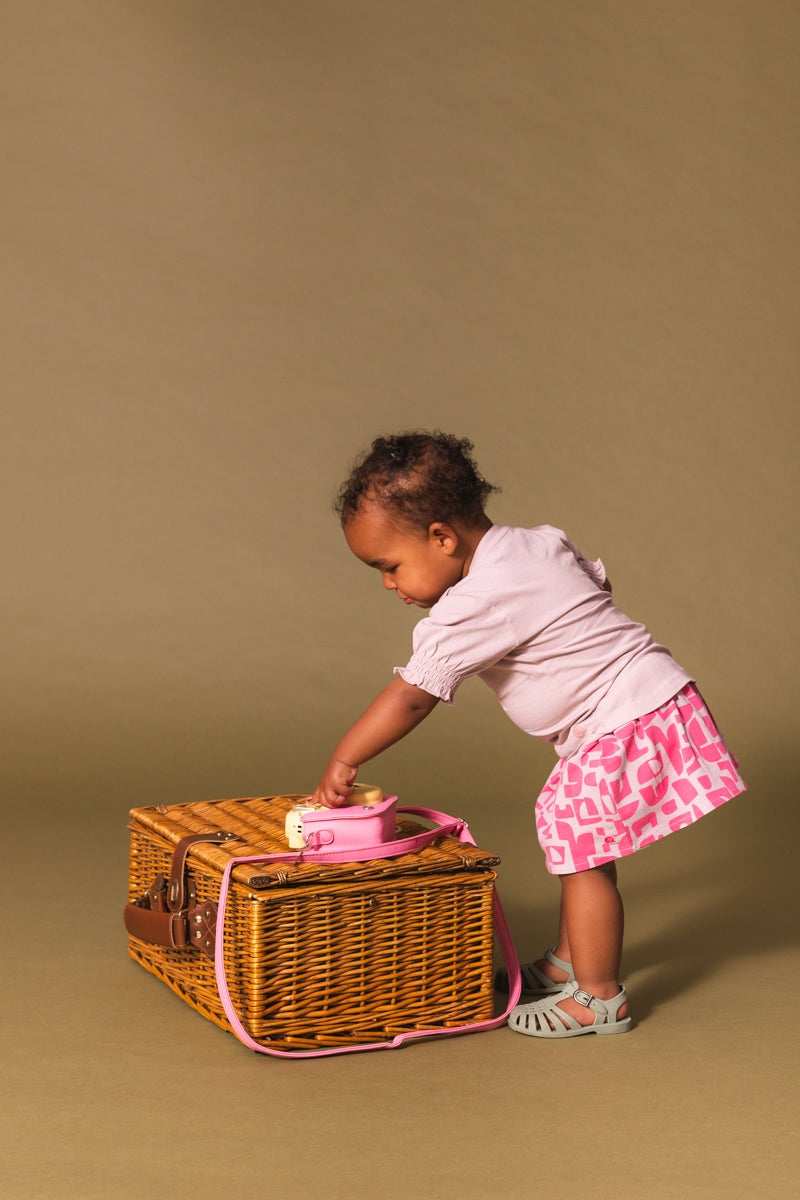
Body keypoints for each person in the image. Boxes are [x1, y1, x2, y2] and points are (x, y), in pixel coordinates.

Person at [312, 431, 746, 1038]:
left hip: (626, 714)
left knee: (577, 836)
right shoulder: (537, 543)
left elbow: (413, 695)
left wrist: (346, 756)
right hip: (652, 695)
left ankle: (597, 996)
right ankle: (569, 960)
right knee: (579, 833)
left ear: (442, 537)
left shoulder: (477, 600)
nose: (389, 584)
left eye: (390, 566)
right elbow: (592, 593)